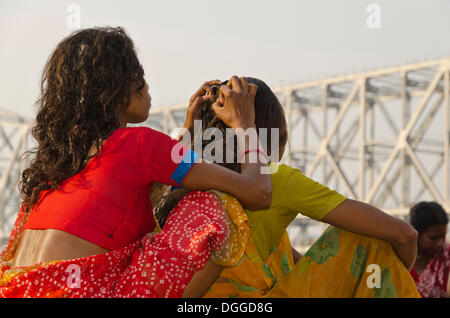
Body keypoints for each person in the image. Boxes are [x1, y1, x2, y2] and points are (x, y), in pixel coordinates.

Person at [0, 27, 272, 298]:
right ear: (119, 87)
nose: (146, 85)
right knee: (213, 208)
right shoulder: (140, 143)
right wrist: (246, 124)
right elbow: (258, 192)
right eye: (138, 75)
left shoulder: (61, 163)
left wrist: (190, 126)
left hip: (18, 289)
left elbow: (155, 185)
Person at [153, 77, 421, 298]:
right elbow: (404, 235)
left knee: (278, 243)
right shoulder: (274, 179)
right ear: (272, 136)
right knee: (369, 240)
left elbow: (300, 265)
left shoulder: (186, 180)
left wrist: (190, 128)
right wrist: (388, 276)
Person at [409, 201, 450, 298]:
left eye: (443, 236)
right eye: (434, 238)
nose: (440, 243)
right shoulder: (401, 260)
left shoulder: (447, 257)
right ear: (416, 234)